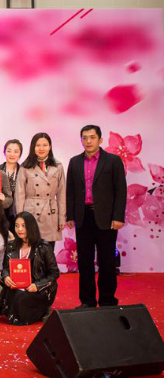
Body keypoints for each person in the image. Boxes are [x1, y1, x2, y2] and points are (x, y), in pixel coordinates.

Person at [66, 125, 127, 309]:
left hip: (106, 217)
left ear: (100, 140)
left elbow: (120, 190)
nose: (88, 141)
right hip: (83, 217)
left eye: (92, 137)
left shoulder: (113, 161)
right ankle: (87, 301)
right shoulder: (74, 162)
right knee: (84, 262)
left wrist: (118, 217)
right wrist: (70, 215)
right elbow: (70, 191)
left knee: (106, 261)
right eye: (84, 137)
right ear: (81, 140)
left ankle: (107, 300)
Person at [0, 212, 60, 326]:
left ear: (31, 227)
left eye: (23, 226)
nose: (19, 229)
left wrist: (37, 286)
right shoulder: (11, 246)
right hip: (17, 286)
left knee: (20, 298)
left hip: (38, 288)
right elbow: (5, 268)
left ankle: (42, 310)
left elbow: (54, 273)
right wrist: (6, 276)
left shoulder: (44, 247)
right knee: (11, 294)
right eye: (17, 225)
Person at [16, 133, 67, 248]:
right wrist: (20, 219)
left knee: (49, 251)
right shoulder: (25, 167)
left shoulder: (58, 166)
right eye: (38, 145)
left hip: (51, 213)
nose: (41, 148)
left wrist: (61, 218)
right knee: (31, 250)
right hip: (31, 213)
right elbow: (20, 194)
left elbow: (61, 193)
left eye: (45, 145)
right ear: (33, 147)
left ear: (50, 147)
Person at [0, 140, 23, 228]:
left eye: (16, 151)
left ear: (20, 154)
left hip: (18, 212)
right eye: (9, 151)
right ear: (4, 152)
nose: (12, 154)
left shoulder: (24, 171)